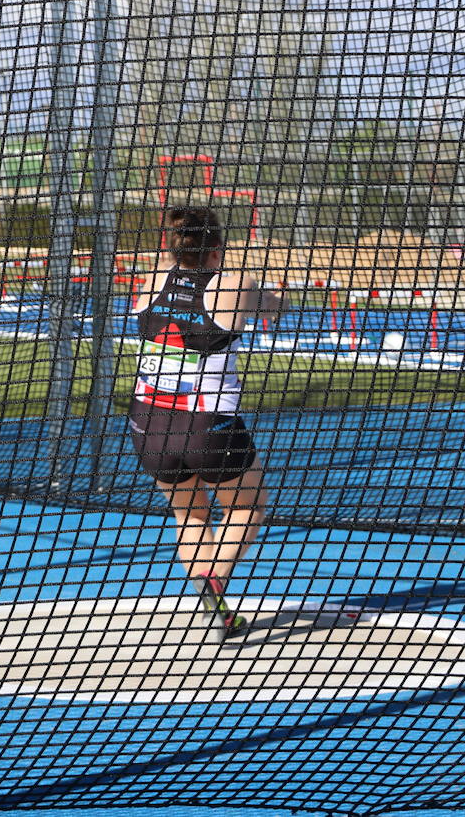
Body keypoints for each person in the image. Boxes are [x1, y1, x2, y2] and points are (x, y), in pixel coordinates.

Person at [128, 205, 284, 637]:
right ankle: (215, 583)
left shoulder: (153, 278)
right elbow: (274, 305)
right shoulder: (236, 285)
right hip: (207, 426)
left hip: (149, 424)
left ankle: (212, 599)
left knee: (190, 515)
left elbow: (174, 261)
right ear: (217, 248)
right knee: (247, 505)